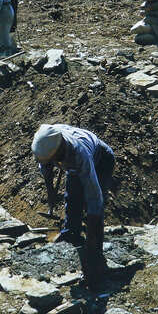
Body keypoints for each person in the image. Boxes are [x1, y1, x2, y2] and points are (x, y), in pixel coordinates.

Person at [32, 124, 115, 289]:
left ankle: (95, 257)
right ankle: (71, 232)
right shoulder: (45, 145)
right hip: (72, 160)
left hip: (101, 160)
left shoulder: (79, 153)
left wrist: (92, 234)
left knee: (90, 205)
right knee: (72, 197)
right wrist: (51, 192)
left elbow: (95, 199)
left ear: (59, 151)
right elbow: (46, 170)